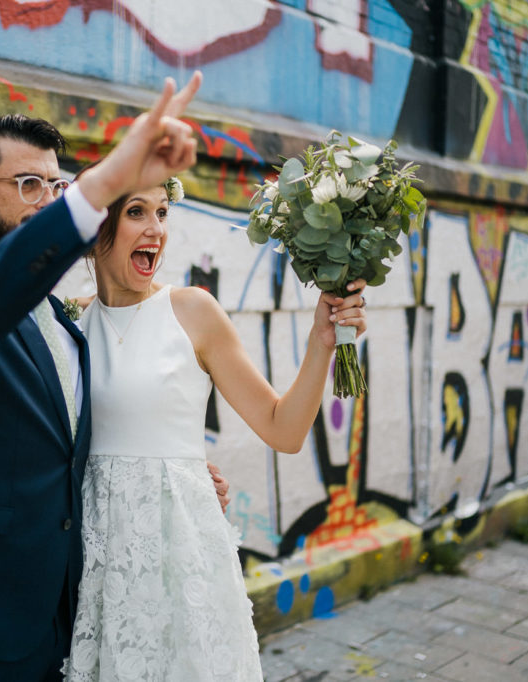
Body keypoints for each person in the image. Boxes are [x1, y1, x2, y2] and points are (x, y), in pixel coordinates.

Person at [0, 73, 209, 680]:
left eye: (55, 185)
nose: (45, 198)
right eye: (28, 184)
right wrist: (99, 187)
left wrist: (176, 471)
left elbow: (70, 444)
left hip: (61, 614)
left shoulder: (65, 318)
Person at [61, 177, 367, 681]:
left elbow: (283, 430)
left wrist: (321, 341)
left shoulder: (192, 311)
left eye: (162, 212)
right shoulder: (71, 321)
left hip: (180, 550)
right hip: (96, 560)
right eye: (137, 212)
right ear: (97, 229)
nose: (156, 228)